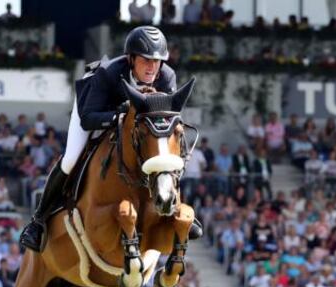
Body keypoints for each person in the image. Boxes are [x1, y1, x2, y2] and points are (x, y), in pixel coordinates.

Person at [19, 26, 200, 252]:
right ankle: (38, 222)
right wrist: (121, 117)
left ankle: (175, 206)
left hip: (135, 127)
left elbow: (164, 122)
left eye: (157, 61)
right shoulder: (109, 73)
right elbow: (89, 118)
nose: (153, 67)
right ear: (131, 58)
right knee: (70, 159)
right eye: (146, 60)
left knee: (165, 156)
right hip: (95, 111)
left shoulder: (167, 77)